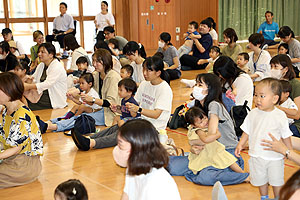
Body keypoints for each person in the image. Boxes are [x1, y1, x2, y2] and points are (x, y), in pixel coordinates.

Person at [71, 55, 172, 151]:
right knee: (116, 127)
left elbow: (156, 114)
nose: (144, 73)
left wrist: (139, 109)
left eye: (149, 70)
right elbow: (133, 106)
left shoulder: (164, 89)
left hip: (154, 128)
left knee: (124, 132)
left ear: (158, 73)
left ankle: (91, 143)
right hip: (140, 120)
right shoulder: (144, 84)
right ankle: (89, 138)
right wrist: (119, 108)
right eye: (144, 69)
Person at [168, 73, 248, 186]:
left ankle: (243, 176)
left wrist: (193, 142)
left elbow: (211, 136)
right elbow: (195, 135)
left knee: (206, 176)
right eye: (196, 84)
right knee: (171, 166)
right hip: (206, 152)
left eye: (200, 85)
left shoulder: (214, 105)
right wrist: (193, 148)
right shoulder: (198, 109)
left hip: (226, 153)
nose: (196, 87)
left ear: (210, 89)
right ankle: (201, 169)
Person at [235, 78, 293, 200]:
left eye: (262, 96)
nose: (257, 99)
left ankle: (278, 197)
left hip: (275, 157)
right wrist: (240, 144)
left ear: (274, 99)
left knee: (276, 181)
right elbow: (247, 130)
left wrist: (289, 151)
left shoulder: (280, 115)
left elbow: (286, 135)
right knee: (260, 179)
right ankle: (264, 197)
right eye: (256, 95)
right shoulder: (253, 113)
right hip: (256, 155)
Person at [47, 49, 121, 132]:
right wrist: (76, 95)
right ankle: (51, 122)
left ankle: (54, 127)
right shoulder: (96, 74)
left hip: (109, 113)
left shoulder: (113, 77)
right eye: (93, 61)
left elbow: (110, 103)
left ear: (105, 62)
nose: (94, 64)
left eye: (97, 62)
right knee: (76, 109)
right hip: (96, 108)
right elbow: (87, 92)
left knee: (82, 118)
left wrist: (92, 99)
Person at [113, 119, 181, 200]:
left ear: (137, 148)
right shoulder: (132, 168)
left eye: (121, 145)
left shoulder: (157, 183)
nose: (117, 149)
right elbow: (127, 194)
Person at [0, 72, 43, 188]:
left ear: (9, 91)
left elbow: (16, 148)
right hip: (14, 159)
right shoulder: (6, 110)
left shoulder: (22, 116)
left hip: (23, 165)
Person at [185, 107, 249, 176]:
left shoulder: (206, 126)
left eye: (205, 118)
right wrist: (217, 135)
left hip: (214, 149)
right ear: (193, 125)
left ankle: (243, 174)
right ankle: (242, 175)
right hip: (208, 152)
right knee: (228, 161)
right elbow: (205, 139)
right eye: (201, 122)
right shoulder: (198, 130)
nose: (205, 121)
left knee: (230, 161)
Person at [24, 42, 67, 110]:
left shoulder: (57, 66)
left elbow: (48, 84)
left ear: (51, 55)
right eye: (39, 52)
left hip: (52, 97)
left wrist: (28, 86)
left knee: (26, 103)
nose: (39, 54)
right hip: (42, 94)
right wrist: (25, 78)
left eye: (42, 52)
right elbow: (34, 78)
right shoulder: (42, 65)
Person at [269, 54, 300, 137]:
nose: (272, 70)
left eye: (276, 67)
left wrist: (276, 111)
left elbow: (297, 115)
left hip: (294, 125)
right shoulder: (273, 84)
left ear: (286, 69)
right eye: (271, 67)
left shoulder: (295, 84)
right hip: (277, 121)